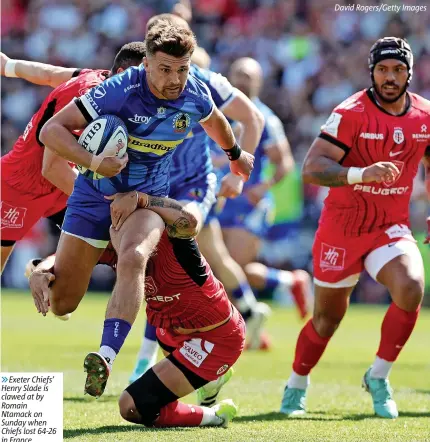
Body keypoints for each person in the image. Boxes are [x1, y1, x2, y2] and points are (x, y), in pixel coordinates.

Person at [38, 22, 254, 396]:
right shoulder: (119, 91)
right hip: (93, 196)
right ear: (148, 64)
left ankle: (105, 356)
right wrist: (93, 160)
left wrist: (235, 155)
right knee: (62, 303)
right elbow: (52, 131)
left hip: (146, 198)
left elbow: (216, 121)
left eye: (182, 69)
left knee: (135, 255)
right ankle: (39, 268)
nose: (175, 79)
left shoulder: (194, 92)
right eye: (166, 70)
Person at [280, 37, 430, 419]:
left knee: (411, 286)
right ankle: (296, 383)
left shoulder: (425, 116)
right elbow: (311, 168)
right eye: (383, 70)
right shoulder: (350, 113)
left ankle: (378, 376)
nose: (390, 77)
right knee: (327, 320)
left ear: (409, 73)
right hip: (342, 228)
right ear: (372, 72)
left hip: (389, 226)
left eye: (398, 69)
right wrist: (363, 173)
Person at [129, 13, 267, 383]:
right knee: (209, 261)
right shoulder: (134, 84)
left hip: (191, 189)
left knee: (167, 263)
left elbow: (253, 119)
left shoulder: (208, 84)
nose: (172, 76)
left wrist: (237, 177)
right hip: (153, 190)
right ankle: (243, 316)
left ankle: (151, 359)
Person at [31, 191, 245, 427]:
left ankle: (210, 382)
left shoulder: (169, 234)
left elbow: (190, 221)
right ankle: (214, 414)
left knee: (131, 405)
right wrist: (41, 269)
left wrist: (142, 198)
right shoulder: (113, 247)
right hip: (169, 333)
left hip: (215, 338)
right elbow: (63, 257)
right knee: (147, 404)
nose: (115, 228)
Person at [0, 43, 145, 274]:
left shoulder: (98, 78)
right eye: (144, 79)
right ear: (123, 74)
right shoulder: (90, 98)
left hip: (60, 185)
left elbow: (50, 75)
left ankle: (43, 269)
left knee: (105, 239)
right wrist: (101, 198)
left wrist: (9, 66)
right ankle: (43, 270)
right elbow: (52, 169)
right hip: (21, 183)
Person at [215, 57, 312, 320]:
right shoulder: (219, 112)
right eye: (238, 75)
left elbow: (285, 163)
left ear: (258, 82)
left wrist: (261, 187)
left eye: (249, 76)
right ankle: (289, 282)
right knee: (224, 270)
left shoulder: (264, 118)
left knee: (231, 270)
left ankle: (241, 329)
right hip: (220, 199)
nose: (243, 81)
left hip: (248, 203)